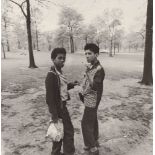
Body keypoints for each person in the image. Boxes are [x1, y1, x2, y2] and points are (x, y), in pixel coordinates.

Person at [45, 48, 77, 155]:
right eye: (59, 58)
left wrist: (71, 85)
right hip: (59, 109)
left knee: (59, 132)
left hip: (62, 107)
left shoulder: (58, 72)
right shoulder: (51, 75)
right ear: (53, 59)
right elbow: (50, 98)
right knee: (68, 132)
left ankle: (56, 153)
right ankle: (68, 152)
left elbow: (61, 89)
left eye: (64, 58)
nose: (62, 60)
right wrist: (54, 115)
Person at [80, 43, 105, 155]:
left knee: (85, 123)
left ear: (96, 54)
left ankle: (92, 147)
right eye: (85, 53)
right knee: (92, 120)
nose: (87, 56)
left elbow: (95, 86)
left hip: (93, 99)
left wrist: (88, 74)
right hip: (89, 98)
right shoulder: (92, 66)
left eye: (89, 53)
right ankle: (94, 140)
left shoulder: (99, 69)